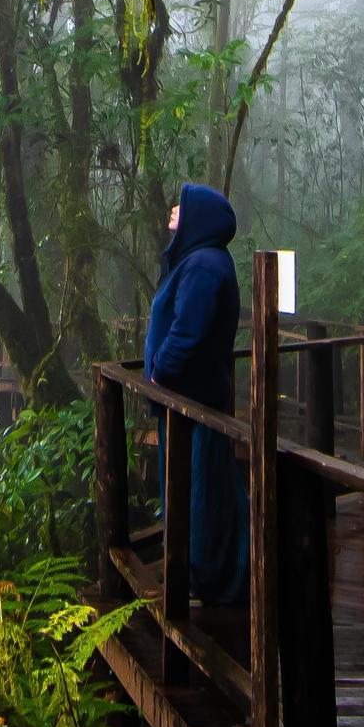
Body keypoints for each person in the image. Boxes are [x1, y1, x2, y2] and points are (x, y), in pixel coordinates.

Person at [144, 180, 248, 607]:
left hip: (193, 402)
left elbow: (188, 332)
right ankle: (202, 572)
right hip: (186, 402)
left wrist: (159, 372)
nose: (172, 210)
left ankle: (214, 579)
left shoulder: (204, 266)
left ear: (199, 217)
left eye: (180, 207)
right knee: (196, 488)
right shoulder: (199, 261)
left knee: (203, 492)